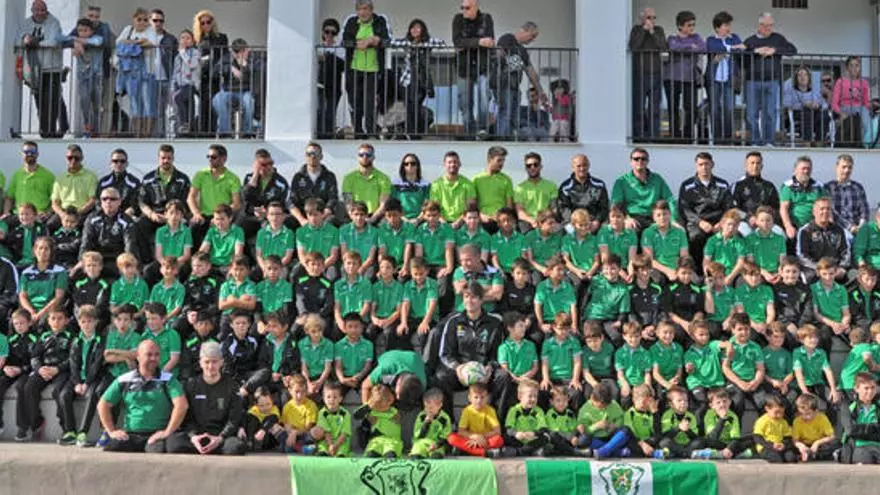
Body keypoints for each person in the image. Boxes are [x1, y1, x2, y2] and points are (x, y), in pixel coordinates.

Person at [97, 339, 187, 453]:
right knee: (113, 447)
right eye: (149, 355)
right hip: (131, 435)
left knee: (156, 451)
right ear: (138, 357)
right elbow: (103, 405)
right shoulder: (124, 380)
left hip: (157, 435)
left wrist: (167, 432)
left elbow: (182, 405)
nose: (153, 358)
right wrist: (111, 431)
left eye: (157, 355)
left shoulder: (168, 379)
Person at [435, 282, 504, 415]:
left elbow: (498, 353)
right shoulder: (453, 322)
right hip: (461, 373)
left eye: (473, 297)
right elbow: (445, 353)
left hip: (484, 373)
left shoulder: (494, 323)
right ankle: (449, 420)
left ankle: (496, 418)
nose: (469, 301)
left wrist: (490, 368)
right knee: (441, 376)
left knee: (503, 376)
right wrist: (457, 367)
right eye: (466, 296)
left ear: (481, 300)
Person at [166, 342, 245, 455]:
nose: (210, 366)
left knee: (235, 447)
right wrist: (193, 436)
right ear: (200, 363)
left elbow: (234, 419)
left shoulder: (232, 386)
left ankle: (212, 447)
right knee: (173, 445)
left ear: (221, 362)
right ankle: (202, 447)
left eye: (214, 362)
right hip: (197, 435)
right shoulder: (190, 385)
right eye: (207, 362)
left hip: (220, 435)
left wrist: (220, 437)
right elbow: (186, 418)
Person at [14, 307, 73, 442]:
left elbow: (73, 358)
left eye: (60, 318)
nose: (56, 322)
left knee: (58, 391)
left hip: (61, 371)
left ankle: (66, 430)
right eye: (53, 318)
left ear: (66, 320)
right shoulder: (44, 336)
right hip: (44, 369)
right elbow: (35, 356)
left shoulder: (71, 337)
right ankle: (37, 422)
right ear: (48, 321)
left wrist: (58, 369)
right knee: (29, 387)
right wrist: (39, 369)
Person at [742, 12, 797, 147]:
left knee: (770, 113)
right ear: (759, 26)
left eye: (771, 25)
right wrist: (756, 51)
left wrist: (774, 50)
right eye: (765, 25)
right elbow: (740, 58)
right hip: (752, 81)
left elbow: (793, 50)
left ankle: (769, 141)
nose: (768, 28)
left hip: (772, 81)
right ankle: (755, 141)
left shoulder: (778, 38)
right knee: (751, 114)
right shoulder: (750, 41)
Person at [56, 306, 106, 447]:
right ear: (79, 323)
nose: (86, 325)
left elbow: (97, 364)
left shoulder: (100, 340)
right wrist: (77, 382)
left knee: (91, 395)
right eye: (83, 322)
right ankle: (70, 431)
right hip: (78, 378)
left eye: (89, 321)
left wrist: (87, 383)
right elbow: (73, 364)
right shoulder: (76, 340)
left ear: (96, 322)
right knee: (64, 395)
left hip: (93, 378)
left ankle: (83, 432)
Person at [388, 18, 445, 137]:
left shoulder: (427, 42)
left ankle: (415, 131)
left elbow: (442, 43)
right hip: (407, 79)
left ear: (423, 30)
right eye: (412, 28)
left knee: (416, 105)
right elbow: (392, 43)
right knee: (409, 105)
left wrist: (423, 45)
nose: (415, 30)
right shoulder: (407, 42)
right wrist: (410, 44)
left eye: (418, 27)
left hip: (422, 80)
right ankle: (411, 131)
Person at [136, 144, 191, 264]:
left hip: (175, 215)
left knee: (189, 226)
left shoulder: (183, 179)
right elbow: (142, 202)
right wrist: (151, 214)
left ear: (173, 158)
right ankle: (147, 262)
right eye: (163, 158)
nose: (166, 160)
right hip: (154, 215)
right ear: (158, 158)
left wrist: (170, 217)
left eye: (169, 158)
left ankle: (179, 261)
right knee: (139, 225)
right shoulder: (148, 179)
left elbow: (185, 202)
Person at [342, 0, 390, 138]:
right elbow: (345, 41)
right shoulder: (351, 22)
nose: (363, 12)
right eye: (360, 9)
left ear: (371, 10)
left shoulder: (380, 21)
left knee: (370, 102)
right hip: (354, 68)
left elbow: (387, 41)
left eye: (366, 9)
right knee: (355, 101)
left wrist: (376, 41)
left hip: (373, 69)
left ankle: (371, 131)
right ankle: (358, 131)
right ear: (357, 11)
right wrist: (360, 43)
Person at [19, 0, 66, 138]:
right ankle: (46, 131)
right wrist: (25, 40)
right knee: (40, 102)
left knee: (52, 101)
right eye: (37, 10)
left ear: (46, 10)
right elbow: (20, 39)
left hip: (52, 68)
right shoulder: (26, 23)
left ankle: (51, 131)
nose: (40, 13)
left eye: (42, 10)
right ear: (32, 11)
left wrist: (34, 43)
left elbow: (53, 41)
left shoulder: (54, 22)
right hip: (34, 70)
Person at [678, 152, 734, 266]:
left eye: (707, 164)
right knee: (696, 237)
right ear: (696, 166)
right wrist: (700, 222)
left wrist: (722, 223)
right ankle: (698, 270)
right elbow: (685, 209)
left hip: (719, 222)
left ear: (712, 164)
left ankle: (721, 268)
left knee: (727, 236)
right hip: (697, 222)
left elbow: (729, 207)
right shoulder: (687, 185)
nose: (704, 167)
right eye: (701, 164)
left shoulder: (722, 184)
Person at [453, 0, 494, 138]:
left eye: (467, 8)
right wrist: (479, 42)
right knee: (465, 102)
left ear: (476, 7)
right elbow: (457, 42)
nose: (464, 10)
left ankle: (482, 129)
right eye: (462, 7)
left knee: (484, 97)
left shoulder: (486, 18)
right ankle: (469, 131)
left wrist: (467, 44)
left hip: (483, 65)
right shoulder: (458, 19)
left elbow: (490, 42)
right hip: (463, 66)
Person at [495, 22, 543, 139]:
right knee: (505, 113)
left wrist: (540, 91)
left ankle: (510, 139)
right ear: (524, 31)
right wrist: (515, 63)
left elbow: (530, 71)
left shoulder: (523, 51)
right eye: (532, 36)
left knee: (514, 116)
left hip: (515, 86)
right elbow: (498, 55)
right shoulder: (507, 39)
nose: (532, 40)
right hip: (503, 84)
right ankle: (502, 139)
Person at [116, 8, 159, 138]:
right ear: (134, 19)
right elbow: (119, 43)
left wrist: (131, 43)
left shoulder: (151, 30)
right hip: (131, 72)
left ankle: (147, 133)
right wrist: (139, 42)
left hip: (148, 71)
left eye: (145, 20)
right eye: (139, 19)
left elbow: (151, 43)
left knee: (147, 102)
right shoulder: (128, 29)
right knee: (134, 102)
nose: (142, 22)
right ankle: (137, 133)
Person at [187, 144, 241, 247]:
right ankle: (194, 256)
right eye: (208, 156)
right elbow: (191, 197)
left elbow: (236, 204)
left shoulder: (233, 178)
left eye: (213, 157)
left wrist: (219, 217)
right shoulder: (200, 174)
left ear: (224, 159)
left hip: (223, 216)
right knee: (193, 227)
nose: (210, 159)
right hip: (203, 216)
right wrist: (196, 213)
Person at [664, 11, 705, 141]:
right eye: (689, 25)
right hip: (671, 77)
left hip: (690, 78)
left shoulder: (697, 37)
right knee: (673, 107)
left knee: (691, 108)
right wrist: (690, 46)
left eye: (693, 25)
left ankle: (688, 136)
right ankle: (674, 135)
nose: (692, 27)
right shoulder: (672, 38)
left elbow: (703, 48)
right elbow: (673, 47)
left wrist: (684, 48)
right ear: (680, 26)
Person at [611, 148, 676, 231]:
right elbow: (616, 204)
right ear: (631, 162)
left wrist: (673, 220)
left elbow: (669, 199)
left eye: (643, 159)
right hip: (632, 217)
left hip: (654, 218)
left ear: (647, 161)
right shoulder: (622, 181)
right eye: (636, 159)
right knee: (629, 230)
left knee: (664, 231)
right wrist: (626, 218)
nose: (640, 161)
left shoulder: (657, 179)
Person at [705, 11, 745, 143]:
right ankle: (717, 138)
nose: (728, 28)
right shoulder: (711, 39)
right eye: (725, 25)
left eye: (729, 25)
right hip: (714, 79)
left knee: (728, 108)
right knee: (714, 109)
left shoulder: (734, 37)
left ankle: (728, 138)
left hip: (729, 79)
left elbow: (742, 49)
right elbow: (713, 48)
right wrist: (731, 48)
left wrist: (725, 50)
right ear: (717, 28)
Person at [212, 38, 264, 135]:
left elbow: (258, 72)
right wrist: (230, 68)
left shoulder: (254, 59)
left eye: (243, 51)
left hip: (246, 91)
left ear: (247, 49)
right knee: (217, 100)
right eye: (237, 52)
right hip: (228, 90)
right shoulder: (227, 58)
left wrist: (246, 66)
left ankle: (247, 132)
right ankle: (225, 131)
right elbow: (215, 71)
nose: (240, 54)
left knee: (249, 102)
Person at [629, 7, 666, 140]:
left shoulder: (659, 30)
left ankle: (654, 136)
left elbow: (663, 46)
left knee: (654, 107)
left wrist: (652, 32)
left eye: (654, 17)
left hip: (656, 73)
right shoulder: (636, 30)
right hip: (640, 73)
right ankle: (639, 135)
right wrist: (644, 30)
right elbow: (634, 46)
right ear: (642, 18)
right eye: (649, 17)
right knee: (639, 106)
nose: (652, 20)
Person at [63, 17, 104, 138]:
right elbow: (61, 40)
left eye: (85, 30)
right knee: (84, 102)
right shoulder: (77, 41)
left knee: (96, 104)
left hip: (96, 76)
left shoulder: (97, 38)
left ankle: (96, 131)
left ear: (91, 31)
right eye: (80, 30)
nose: (82, 33)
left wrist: (77, 42)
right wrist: (75, 43)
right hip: (83, 77)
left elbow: (98, 42)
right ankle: (88, 128)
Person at [78, 187, 135, 273]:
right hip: (96, 258)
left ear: (119, 202)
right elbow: (86, 243)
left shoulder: (126, 220)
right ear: (101, 202)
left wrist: (129, 263)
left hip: (118, 258)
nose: (108, 201)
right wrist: (82, 261)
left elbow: (130, 245)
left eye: (113, 199)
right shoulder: (92, 218)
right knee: (76, 272)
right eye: (104, 199)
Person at [240, 149, 290, 241]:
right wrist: (255, 175)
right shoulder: (249, 178)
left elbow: (281, 204)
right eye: (264, 164)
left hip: (271, 217)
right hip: (251, 216)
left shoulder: (280, 182)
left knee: (270, 230)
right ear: (256, 165)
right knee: (238, 230)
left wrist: (267, 212)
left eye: (270, 163)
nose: (268, 167)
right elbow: (245, 198)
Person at [796, 198, 849, 283]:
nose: (825, 211)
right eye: (822, 209)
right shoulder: (805, 231)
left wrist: (842, 267)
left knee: (854, 274)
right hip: (815, 269)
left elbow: (845, 252)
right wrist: (820, 268)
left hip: (835, 268)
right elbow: (802, 256)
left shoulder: (839, 230)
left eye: (828, 209)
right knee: (810, 276)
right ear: (814, 212)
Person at [193, 10, 228, 135]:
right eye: (202, 23)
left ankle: (212, 131)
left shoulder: (221, 38)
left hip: (216, 75)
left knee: (214, 103)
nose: (206, 25)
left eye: (208, 22)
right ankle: (202, 131)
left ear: (213, 22)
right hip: (201, 76)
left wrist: (219, 68)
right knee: (202, 104)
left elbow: (225, 55)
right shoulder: (196, 39)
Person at [289, 142, 340, 227]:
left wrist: (320, 217)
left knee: (332, 221)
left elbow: (333, 199)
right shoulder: (298, 177)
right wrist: (302, 219)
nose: (312, 156)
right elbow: (292, 202)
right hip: (304, 216)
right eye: (309, 154)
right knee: (289, 221)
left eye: (315, 153)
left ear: (321, 156)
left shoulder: (329, 176)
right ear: (305, 156)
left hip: (323, 215)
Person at [447, 382, 505, 457]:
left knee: (498, 440)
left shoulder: (490, 410)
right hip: (470, 438)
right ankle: (484, 452)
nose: (479, 400)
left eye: (482, 397)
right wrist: (475, 437)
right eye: (476, 397)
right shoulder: (467, 411)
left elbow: (497, 431)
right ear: (470, 398)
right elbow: (461, 431)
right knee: (451, 438)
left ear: (487, 398)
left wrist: (481, 437)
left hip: (485, 439)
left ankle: (467, 451)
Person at [731, 151, 780, 235]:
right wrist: (748, 217)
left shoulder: (769, 186)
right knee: (747, 234)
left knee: (780, 233)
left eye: (758, 163)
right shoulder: (738, 185)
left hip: (766, 222)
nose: (755, 166)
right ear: (746, 166)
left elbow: (776, 208)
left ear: (762, 166)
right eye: (752, 163)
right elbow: (733, 209)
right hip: (745, 222)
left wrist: (765, 218)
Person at [556, 154, 609, 232]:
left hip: (593, 222)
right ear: (573, 168)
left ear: (588, 166)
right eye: (578, 166)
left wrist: (597, 221)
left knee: (606, 229)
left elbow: (604, 207)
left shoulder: (599, 185)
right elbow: (563, 208)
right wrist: (572, 223)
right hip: (574, 223)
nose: (582, 169)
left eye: (584, 165)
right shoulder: (565, 187)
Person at [50, 144, 98, 228]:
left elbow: (92, 200)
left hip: (82, 212)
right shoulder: (60, 178)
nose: (73, 160)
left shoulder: (91, 177)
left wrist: (78, 213)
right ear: (66, 158)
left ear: (82, 158)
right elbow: (54, 202)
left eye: (77, 158)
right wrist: (62, 215)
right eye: (70, 158)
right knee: (49, 225)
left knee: (88, 227)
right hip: (64, 212)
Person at [341, 143, 391, 223]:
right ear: (358, 157)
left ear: (373, 157)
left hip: (376, 216)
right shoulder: (348, 178)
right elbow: (348, 203)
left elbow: (383, 204)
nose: (364, 157)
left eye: (368, 155)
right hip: (355, 215)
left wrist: (372, 219)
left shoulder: (384, 178)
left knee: (387, 223)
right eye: (361, 155)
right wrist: (357, 218)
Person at [780, 156, 826, 241]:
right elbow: (784, 209)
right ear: (795, 170)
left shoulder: (818, 186)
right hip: (795, 226)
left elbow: (826, 207)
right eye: (803, 168)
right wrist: (788, 226)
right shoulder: (788, 186)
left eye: (808, 168)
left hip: (815, 225)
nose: (806, 171)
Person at [4, 141, 55, 218]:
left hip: (39, 216)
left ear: (37, 154)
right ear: (22, 154)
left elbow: (56, 200)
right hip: (19, 216)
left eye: (32, 151)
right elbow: (9, 198)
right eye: (26, 152)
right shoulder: (16, 175)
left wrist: (48, 213)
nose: (29, 154)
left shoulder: (48, 176)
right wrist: (6, 213)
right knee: (2, 224)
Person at [832, 56, 873, 146]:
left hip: (860, 109)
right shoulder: (840, 82)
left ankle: (865, 143)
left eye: (857, 65)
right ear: (847, 68)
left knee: (866, 119)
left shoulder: (864, 83)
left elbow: (866, 102)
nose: (854, 68)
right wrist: (840, 113)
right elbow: (834, 104)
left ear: (859, 68)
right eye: (851, 65)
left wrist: (872, 105)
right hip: (845, 108)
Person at [840, 372, 880, 464]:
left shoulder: (878, 406)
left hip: (877, 446)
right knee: (866, 458)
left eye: (873, 388)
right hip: (857, 447)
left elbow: (855, 430)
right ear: (856, 388)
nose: (870, 391)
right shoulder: (847, 406)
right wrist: (874, 428)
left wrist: (860, 429)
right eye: (866, 388)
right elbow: (850, 430)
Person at [473, 146, 514, 232]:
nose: (501, 164)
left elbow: (509, 206)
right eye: (499, 160)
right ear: (489, 160)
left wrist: (500, 216)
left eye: (503, 161)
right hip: (481, 220)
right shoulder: (476, 180)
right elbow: (472, 203)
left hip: (501, 221)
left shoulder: (506, 180)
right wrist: (481, 215)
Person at [826, 154, 869, 236]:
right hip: (836, 231)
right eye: (844, 167)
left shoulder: (858, 187)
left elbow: (864, 210)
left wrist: (861, 227)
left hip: (857, 229)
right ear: (836, 167)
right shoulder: (828, 188)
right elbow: (831, 211)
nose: (847, 170)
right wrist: (849, 227)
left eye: (850, 167)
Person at [783, 65, 828, 143]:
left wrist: (817, 105)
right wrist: (804, 104)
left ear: (808, 78)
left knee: (824, 114)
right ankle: (807, 142)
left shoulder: (814, 92)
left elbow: (825, 104)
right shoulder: (792, 91)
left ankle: (819, 143)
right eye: (800, 75)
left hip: (815, 116)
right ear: (796, 78)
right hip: (798, 115)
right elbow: (786, 104)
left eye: (805, 75)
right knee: (807, 110)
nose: (802, 77)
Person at [150, 9, 176, 138]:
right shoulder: (144, 38)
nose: (158, 23)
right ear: (150, 21)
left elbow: (175, 59)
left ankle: (166, 136)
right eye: (155, 20)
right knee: (154, 110)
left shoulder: (170, 39)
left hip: (166, 78)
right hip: (150, 79)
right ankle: (156, 136)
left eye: (161, 21)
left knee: (168, 110)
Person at [317, 18, 345, 139]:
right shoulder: (318, 48)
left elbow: (342, 65)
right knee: (320, 110)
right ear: (323, 32)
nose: (329, 35)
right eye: (327, 31)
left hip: (334, 86)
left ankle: (328, 135)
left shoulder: (340, 49)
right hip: (319, 85)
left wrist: (329, 57)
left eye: (333, 32)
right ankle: (320, 134)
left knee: (330, 112)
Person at [514, 152, 557, 232]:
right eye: (529, 166)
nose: (532, 167)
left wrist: (544, 220)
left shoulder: (551, 185)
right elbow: (520, 212)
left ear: (541, 166)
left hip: (547, 219)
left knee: (559, 230)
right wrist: (532, 220)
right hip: (527, 222)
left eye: (535, 165)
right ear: (526, 168)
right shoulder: (520, 188)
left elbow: (554, 208)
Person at [792, 393, 841, 462]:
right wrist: (800, 446)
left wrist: (817, 443)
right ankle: (812, 455)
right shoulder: (797, 421)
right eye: (801, 414)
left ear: (816, 411)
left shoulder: (822, 418)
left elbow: (832, 436)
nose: (804, 417)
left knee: (835, 443)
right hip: (805, 444)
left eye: (808, 414)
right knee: (791, 450)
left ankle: (815, 455)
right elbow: (795, 440)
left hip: (820, 443)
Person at [171, 29, 200, 135]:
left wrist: (183, 52)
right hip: (180, 85)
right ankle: (187, 127)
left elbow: (192, 65)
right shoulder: (177, 57)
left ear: (192, 41)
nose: (185, 40)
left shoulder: (195, 53)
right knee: (186, 106)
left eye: (188, 38)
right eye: (182, 38)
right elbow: (175, 73)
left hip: (191, 84)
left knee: (178, 97)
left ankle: (185, 124)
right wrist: (172, 87)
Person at [409, 388, 452, 459]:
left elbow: (445, 436)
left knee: (436, 456)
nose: (428, 410)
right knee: (416, 455)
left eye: (431, 407)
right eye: (426, 407)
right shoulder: (421, 416)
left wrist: (437, 445)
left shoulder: (444, 418)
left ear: (440, 405)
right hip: (421, 442)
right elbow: (418, 435)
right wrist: (426, 423)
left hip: (436, 444)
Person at [96, 149, 141, 218]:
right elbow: (97, 201)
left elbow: (136, 203)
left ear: (127, 164)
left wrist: (129, 211)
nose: (119, 164)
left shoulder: (134, 182)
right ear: (111, 163)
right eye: (115, 161)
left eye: (122, 161)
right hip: (106, 215)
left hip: (126, 216)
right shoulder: (103, 182)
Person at [311, 381, 352, 457]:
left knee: (342, 452)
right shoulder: (322, 413)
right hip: (327, 441)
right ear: (324, 398)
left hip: (340, 441)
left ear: (340, 399)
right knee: (322, 450)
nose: (331, 400)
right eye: (328, 397)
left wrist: (336, 446)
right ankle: (324, 453)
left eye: (335, 397)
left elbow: (344, 433)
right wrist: (330, 446)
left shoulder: (345, 414)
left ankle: (340, 454)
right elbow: (326, 432)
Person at [753, 395, 798, 463]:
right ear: (767, 409)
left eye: (782, 412)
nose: (779, 415)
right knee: (777, 459)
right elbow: (757, 438)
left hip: (780, 446)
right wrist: (771, 445)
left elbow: (787, 437)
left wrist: (783, 444)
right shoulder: (762, 421)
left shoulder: (783, 422)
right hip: (766, 447)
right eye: (776, 412)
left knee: (792, 458)